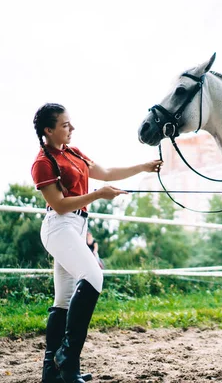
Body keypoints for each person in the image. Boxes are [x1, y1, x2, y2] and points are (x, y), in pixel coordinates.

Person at [32, 103, 162, 383]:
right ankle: (66, 355)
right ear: (48, 130)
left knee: (64, 300)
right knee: (93, 276)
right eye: (65, 125)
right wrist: (98, 195)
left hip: (77, 227)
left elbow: (105, 172)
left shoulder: (73, 153)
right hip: (60, 226)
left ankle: (57, 373)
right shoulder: (43, 163)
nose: (72, 128)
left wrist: (143, 167)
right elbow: (59, 205)